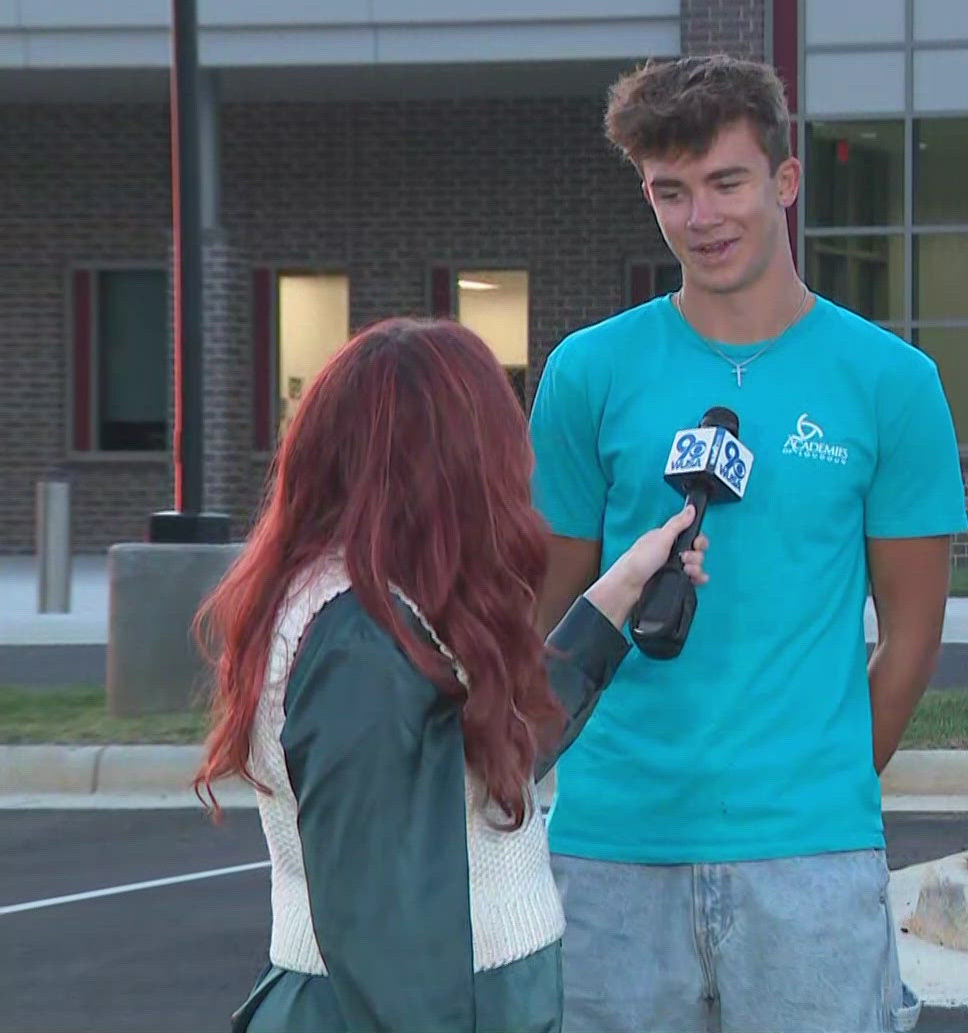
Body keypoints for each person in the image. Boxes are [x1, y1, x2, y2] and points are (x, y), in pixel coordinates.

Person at [527, 53, 967, 1032]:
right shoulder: (587, 373)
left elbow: (912, 635)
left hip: (812, 854)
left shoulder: (891, 383)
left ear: (785, 179)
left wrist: (825, 782)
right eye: (669, 193)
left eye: (726, 182)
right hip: (612, 848)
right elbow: (546, 620)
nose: (702, 218)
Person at [190, 317, 712, 1032]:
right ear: (451, 465)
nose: (520, 465)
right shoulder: (359, 645)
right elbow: (387, 935)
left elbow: (479, 760)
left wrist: (621, 590)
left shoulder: (378, 600)